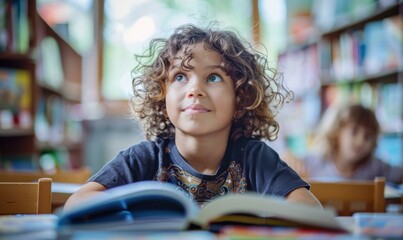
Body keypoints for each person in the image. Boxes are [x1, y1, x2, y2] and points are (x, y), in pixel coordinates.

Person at [64, 24, 321, 210]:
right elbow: (76, 203)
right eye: (180, 77)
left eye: (213, 77)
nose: (195, 89)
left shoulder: (255, 158)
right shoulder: (142, 159)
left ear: (240, 99)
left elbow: (309, 208)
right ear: (162, 100)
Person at [284, 103, 403, 184]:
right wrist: (288, 157)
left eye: (368, 136)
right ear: (337, 131)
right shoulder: (316, 162)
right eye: (354, 131)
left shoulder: (375, 167)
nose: (360, 141)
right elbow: (286, 163)